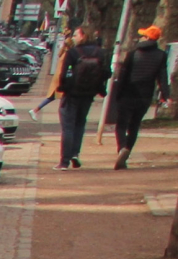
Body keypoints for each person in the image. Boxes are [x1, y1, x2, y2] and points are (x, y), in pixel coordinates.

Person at [106, 24, 170, 166]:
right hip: (145, 96)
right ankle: (127, 150)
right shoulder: (161, 55)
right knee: (134, 125)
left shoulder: (133, 54)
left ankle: (122, 147)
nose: (140, 38)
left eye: (143, 35)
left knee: (121, 125)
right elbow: (162, 77)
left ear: (147, 38)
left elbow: (123, 75)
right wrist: (166, 95)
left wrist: (118, 93)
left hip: (128, 93)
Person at [53, 23, 109, 167]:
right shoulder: (101, 52)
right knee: (80, 124)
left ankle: (64, 161)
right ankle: (75, 153)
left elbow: (65, 73)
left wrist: (63, 87)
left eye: (76, 35)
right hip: (89, 94)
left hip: (72, 93)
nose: (74, 38)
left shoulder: (73, 52)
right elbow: (107, 73)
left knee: (68, 126)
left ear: (83, 35)